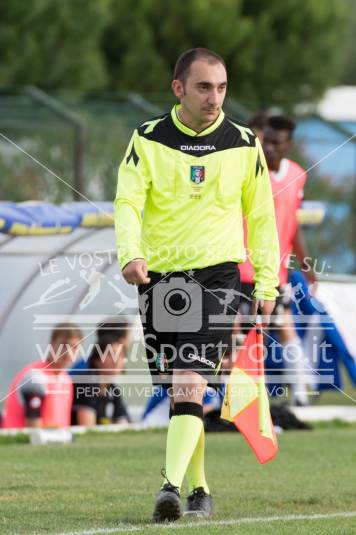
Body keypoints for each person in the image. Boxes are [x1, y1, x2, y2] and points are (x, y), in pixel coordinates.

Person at [114, 47, 280, 522]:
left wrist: (267, 283)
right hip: (162, 277)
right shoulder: (146, 139)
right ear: (178, 88)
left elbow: (262, 218)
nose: (215, 97)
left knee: (190, 377)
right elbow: (127, 202)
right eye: (204, 87)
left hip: (219, 275)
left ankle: (168, 486)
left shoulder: (245, 143)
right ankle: (201, 491)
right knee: (182, 389)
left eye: (222, 87)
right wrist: (132, 254)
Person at [238, 115, 317, 406]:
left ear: (287, 145)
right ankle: (228, 399)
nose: (267, 147)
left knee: (284, 328)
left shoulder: (298, 174)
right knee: (232, 331)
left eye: (275, 142)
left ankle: (300, 397)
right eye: (265, 140)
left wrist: (306, 264)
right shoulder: (249, 172)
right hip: (242, 268)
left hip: (276, 272)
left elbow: (292, 223)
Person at [2, 323, 82, 429]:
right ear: (52, 344)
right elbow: (33, 429)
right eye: (63, 346)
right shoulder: (35, 377)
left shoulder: (66, 380)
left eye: (74, 347)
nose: (68, 352)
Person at [71, 319, 131, 426]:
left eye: (120, 355)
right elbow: (88, 430)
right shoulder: (85, 383)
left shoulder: (113, 389)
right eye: (110, 354)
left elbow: (124, 426)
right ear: (96, 360)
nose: (116, 360)